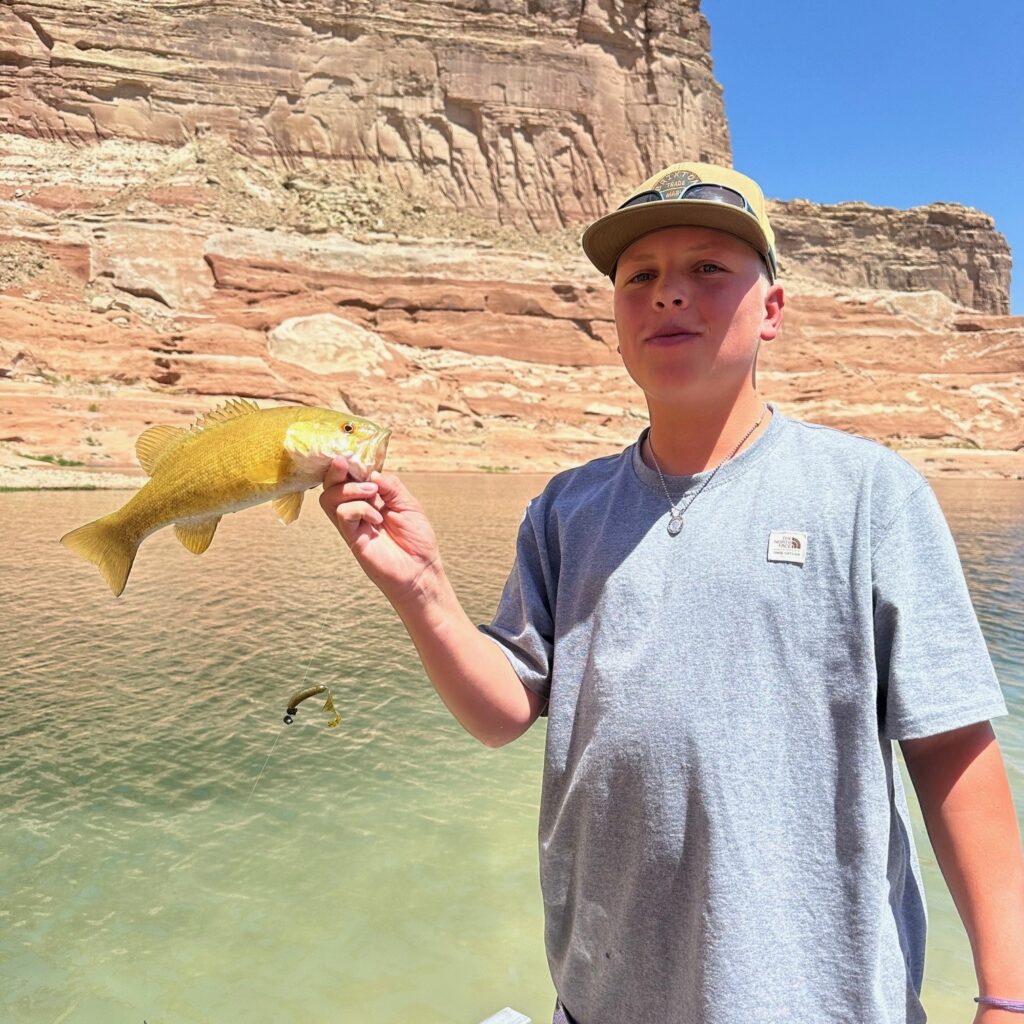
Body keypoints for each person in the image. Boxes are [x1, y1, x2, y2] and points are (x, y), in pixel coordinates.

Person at [319, 162, 1024, 1024]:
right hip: (606, 994)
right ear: (615, 321)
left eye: (709, 271)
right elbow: (504, 712)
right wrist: (420, 589)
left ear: (771, 311)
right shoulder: (565, 510)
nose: (668, 295)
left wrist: (1008, 995)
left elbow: (950, 745)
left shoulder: (869, 493)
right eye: (640, 277)